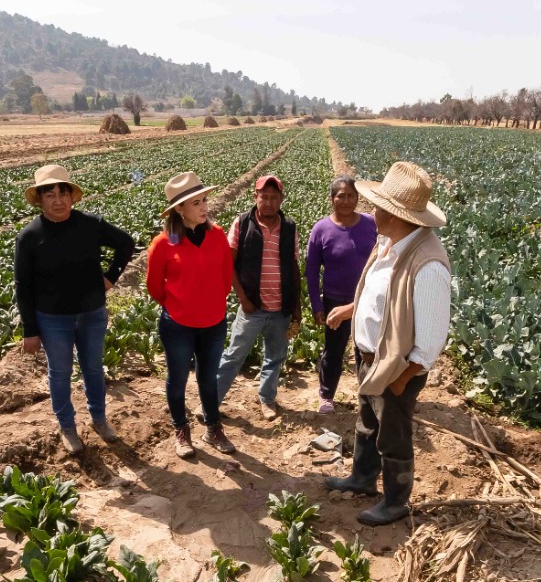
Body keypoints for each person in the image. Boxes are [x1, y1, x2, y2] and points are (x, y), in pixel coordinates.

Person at [323, 161, 451, 526]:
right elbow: (380, 296)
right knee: (367, 424)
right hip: (371, 358)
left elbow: (430, 341)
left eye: (376, 205)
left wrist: (399, 380)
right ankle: (363, 479)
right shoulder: (388, 243)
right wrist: (350, 310)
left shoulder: (427, 264)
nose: (370, 210)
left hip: (397, 367)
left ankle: (396, 501)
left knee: (392, 435)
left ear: (395, 214)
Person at [14, 164, 136, 455]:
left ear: (72, 196)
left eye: (63, 193)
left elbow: (126, 243)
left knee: (93, 368)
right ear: (40, 200)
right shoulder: (30, 236)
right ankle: (67, 426)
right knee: (60, 372)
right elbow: (23, 286)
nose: (58, 200)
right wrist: (29, 330)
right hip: (53, 319)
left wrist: (110, 276)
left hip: (92, 314)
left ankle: (99, 419)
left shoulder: (89, 224)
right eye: (50, 195)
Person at [146, 172, 236, 458]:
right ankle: (181, 430)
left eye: (204, 200)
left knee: (208, 379)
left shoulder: (217, 235)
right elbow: (153, 285)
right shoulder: (163, 244)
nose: (203, 207)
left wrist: (209, 305)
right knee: (177, 378)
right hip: (178, 326)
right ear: (179, 210)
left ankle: (213, 428)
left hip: (213, 323)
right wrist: (179, 305)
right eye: (195, 203)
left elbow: (225, 278)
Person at [215, 175, 302, 421]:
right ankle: (212, 402)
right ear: (256, 197)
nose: (269, 202)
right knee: (233, 355)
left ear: (281, 200)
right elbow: (229, 264)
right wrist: (243, 298)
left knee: (275, 357)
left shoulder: (290, 227)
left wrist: (296, 307)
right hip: (251, 306)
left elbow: (293, 267)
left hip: (280, 308)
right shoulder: (242, 223)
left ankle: (267, 400)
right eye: (264, 197)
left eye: (275, 198)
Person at [306, 175, 378, 414]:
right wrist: (317, 305)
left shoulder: (370, 224)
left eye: (350, 196)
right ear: (332, 199)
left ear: (357, 198)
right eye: (340, 196)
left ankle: (366, 395)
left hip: (367, 300)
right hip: (335, 301)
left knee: (366, 350)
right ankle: (326, 396)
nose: (346, 200)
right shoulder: (321, 229)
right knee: (334, 350)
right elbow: (311, 271)